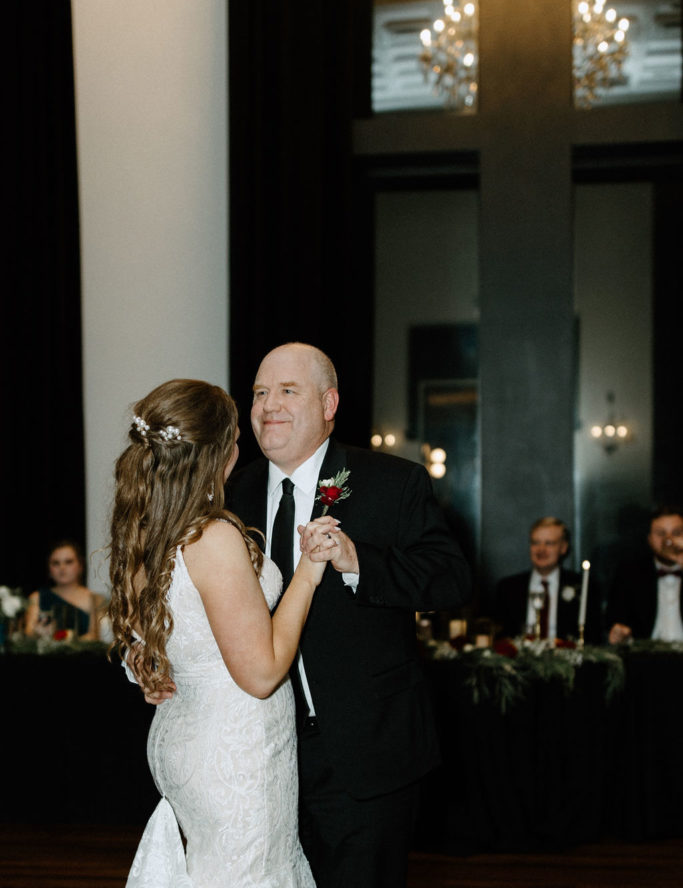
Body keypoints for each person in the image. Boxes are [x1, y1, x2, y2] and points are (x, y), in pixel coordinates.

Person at [223, 342, 472, 888]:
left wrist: (359, 561)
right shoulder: (230, 494)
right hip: (260, 756)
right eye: (260, 393)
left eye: (288, 391)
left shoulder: (391, 481)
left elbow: (451, 579)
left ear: (329, 403)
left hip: (366, 753)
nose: (268, 406)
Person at [109, 378, 321, 887]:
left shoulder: (145, 530)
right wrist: (309, 572)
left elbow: (142, 632)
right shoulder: (212, 537)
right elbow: (262, 673)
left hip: (183, 741)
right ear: (220, 454)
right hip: (236, 755)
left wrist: (142, 660)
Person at [494, 516, 601, 643]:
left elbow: (593, 638)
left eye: (549, 543)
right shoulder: (508, 588)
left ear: (563, 547)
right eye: (536, 543)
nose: (541, 550)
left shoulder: (583, 586)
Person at [607, 504, 683, 644]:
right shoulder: (630, 574)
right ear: (649, 539)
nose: (669, 541)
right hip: (646, 659)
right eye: (661, 534)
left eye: (677, 533)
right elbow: (616, 624)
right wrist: (620, 634)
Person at [25, 540, 105, 640]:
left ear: (80, 566)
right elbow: (28, 633)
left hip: (83, 654)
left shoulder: (94, 599)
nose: (62, 568)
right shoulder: (36, 597)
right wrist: (37, 633)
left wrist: (68, 642)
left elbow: (95, 637)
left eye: (68, 562)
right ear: (49, 569)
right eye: (56, 563)